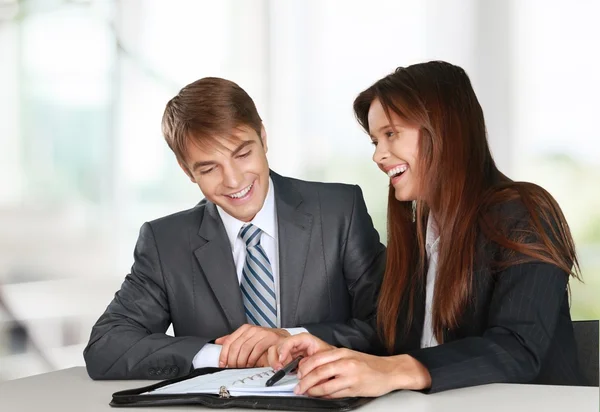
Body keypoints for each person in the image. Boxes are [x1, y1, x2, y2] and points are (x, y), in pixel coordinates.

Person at [268, 61, 585, 396]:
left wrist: (396, 369)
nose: (378, 155)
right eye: (375, 141)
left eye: (391, 135)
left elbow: (517, 349)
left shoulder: (524, 211)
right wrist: (331, 355)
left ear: (444, 130)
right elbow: (394, 338)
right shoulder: (420, 233)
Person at [83, 77, 385, 380]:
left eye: (242, 154)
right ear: (187, 170)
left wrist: (289, 338)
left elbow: (387, 324)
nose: (233, 180)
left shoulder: (339, 212)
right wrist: (223, 356)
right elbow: (107, 345)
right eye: (209, 168)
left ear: (263, 138)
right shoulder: (166, 243)